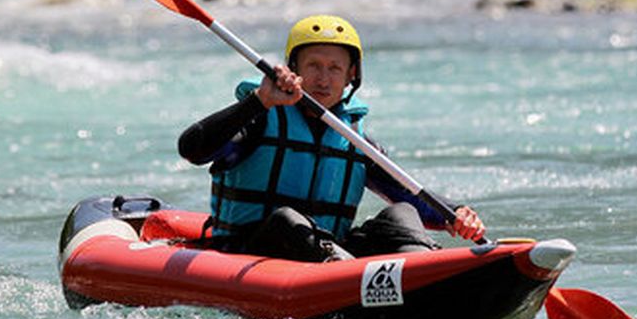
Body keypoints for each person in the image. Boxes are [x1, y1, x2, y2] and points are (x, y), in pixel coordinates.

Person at [178, 15, 485, 261]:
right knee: (287, 219)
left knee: (402, 213)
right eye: (313, 66)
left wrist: (454, 213)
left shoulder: (355, 141)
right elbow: (192, 148)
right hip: (252, 252)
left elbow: (409, 194)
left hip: (327, 251)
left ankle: (424, 271)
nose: (323, 79)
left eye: (335, 68)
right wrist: (259, 101)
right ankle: (346, 275)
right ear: (294, 69)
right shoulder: (258, 120)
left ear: (351, 74)